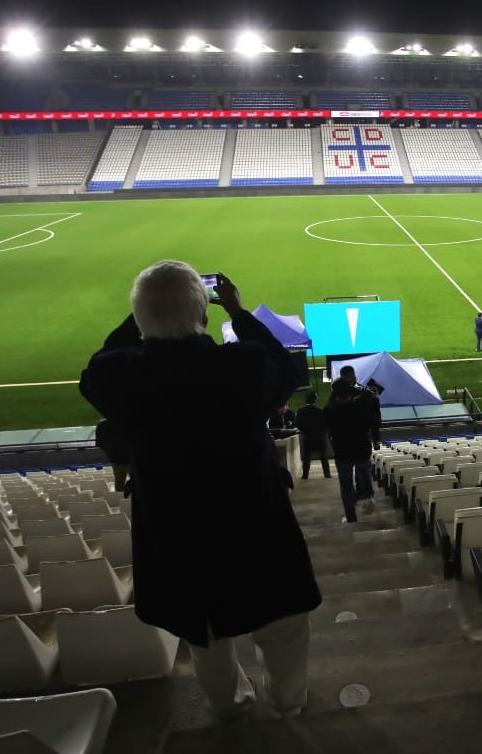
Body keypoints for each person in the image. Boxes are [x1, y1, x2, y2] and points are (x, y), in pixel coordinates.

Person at [79, 260, 320, 722]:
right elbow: (284, 369)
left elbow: (97, 368)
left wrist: (146, 316)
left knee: (204, 632)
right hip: (254, 523)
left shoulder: (120, 375)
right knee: (284, 625)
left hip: (174, 532)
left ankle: (229, 708)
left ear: (139, 321)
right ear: (205, 315)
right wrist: (240, 313)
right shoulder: (243, 366)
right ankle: (287, 703)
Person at [324, 376, 378, 523]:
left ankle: (350, 516)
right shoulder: (360, 406)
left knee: (346, 485)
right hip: (361, 450)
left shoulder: (330, 410)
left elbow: (327, 426)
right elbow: (370, 410)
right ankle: (368, 497)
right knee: (364, 476)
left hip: (342, 453)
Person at [294, 391, 331, 480]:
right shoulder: (320, 411)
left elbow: (298, 425)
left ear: (305, 400)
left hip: (307, 437)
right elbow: (325, 425)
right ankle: (327, 474)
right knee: (323, 456)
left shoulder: (300, 411)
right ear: (315, 400)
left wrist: (304, 431)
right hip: (320, 437)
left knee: (306, 457)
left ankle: (305, 475)